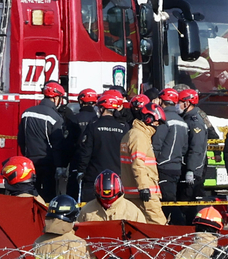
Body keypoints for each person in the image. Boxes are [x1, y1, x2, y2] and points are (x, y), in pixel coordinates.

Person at [18, 82, 73, 199]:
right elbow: (58, 145)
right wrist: (59, 165)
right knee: (49, 197)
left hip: (30, 163)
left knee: (31, 196)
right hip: (48, 164)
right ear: (56, 98)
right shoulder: (55, 117)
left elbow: (21, 140)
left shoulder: (27, 113)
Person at [121, 95, 167, 224]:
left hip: (134, 191)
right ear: (148, 119)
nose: (158, 126)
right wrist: (144, 187)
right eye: (157, 122)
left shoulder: (134, 134)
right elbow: (138, 163)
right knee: (159, 225)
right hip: (145, 192)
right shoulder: (139, 136)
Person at [80, 90, 130, 195]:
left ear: (102, 108)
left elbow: (86, 151)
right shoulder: (124, 127)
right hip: (117, 177)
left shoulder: (93, 125)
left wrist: (81, 170)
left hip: (95, 176)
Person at [153, 87, 191, 208]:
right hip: (176, 167)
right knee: (171, 200)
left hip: (162, 167)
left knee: (166, 204)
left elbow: (156, 144)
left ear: (160, 101)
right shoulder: (183, 122)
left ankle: (173, 224)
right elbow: (185, 148)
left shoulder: (162, 120)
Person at [67, 88, 102, 198]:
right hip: (94, 163)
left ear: (81, 102)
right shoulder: (98, 121)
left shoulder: (73, 119)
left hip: (76, 161)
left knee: (73, 193)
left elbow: (68, 143)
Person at [177, 89, 211, 203]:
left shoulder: (195, 122)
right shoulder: (186, 119)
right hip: (185, 167)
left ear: (187, 103)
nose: (177, 105)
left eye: (179, 102)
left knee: (187, 203)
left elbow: (196, 147)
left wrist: (191, 170)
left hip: (192, 171)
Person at [82, 171, 147, 224]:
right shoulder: (86, 210)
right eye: (103, 199)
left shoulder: (133, 212)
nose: (107, 202)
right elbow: (76, 236)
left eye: (111, 199)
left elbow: (143, 236)